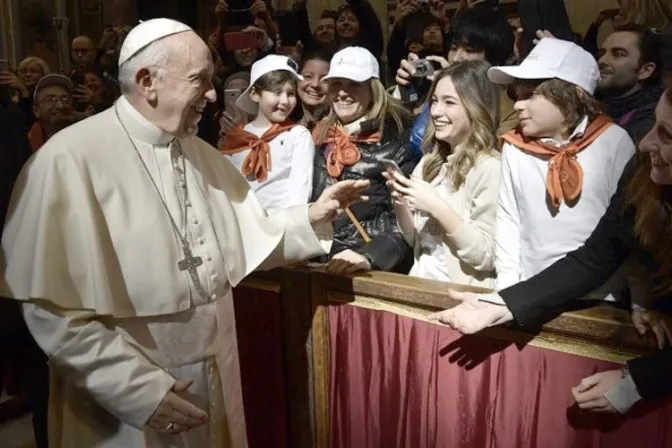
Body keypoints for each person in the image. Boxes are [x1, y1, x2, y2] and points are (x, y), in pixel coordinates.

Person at [0, 18, 368, 448]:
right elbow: (52, 310)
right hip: (126, 399)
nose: (212, 95)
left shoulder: (199, 153)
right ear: (146, 81)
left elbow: (251, 236)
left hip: (213, 372)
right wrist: (137, 391)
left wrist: (312, 215)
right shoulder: (67, 161)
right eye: (200, 80)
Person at [429, 85, 672, 416]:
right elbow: (597, 255)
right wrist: (503, 303)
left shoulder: (616, 143)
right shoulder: (644, 172)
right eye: (653, 125)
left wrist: (639, 381)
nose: (645, 143)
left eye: (667, 134)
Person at [488, 38, 635, 298]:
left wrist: (639, 301)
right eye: (516, 95)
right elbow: (509, 219)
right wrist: (507, 288)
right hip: (529, 291)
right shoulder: (515, 147)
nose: (518, 105)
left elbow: (629, 230)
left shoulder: (613, 142)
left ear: (574, 94)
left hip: (601, 294)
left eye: (531, 95)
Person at [386, 60, 501, 286]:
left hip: (462, 300)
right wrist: (400, 200)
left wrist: (436, 206)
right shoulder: (429, 164)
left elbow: (486, 256)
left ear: (477, 107)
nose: (436, 112)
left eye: (449, 102)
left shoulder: (490, 167)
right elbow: (414, 240)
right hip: (422, 288)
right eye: (435, 101)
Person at [310, 46, 416, 274]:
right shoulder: (315, 136)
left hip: (363, 271)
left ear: (373, 90)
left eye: (354, 84)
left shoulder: (396, 142)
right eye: (337, 83)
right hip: (316, 266)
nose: (342, 92)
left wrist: (369, 255)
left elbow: (407, 220)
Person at [219, 54, 315, 210]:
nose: (285, 101)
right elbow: (224, 187)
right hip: (244, 225)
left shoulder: (297, 135)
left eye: (290, 93)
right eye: (277, 92)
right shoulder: (236, 138)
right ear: (255, 94)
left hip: (281, 226)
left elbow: (300, 190)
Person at [596, 24, 665, 144]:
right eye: (602, 53)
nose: (602, 61)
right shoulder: (593, 105)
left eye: (618, 54)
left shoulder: (653, 121)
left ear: (645, 70)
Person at [28, 74, 76, 152]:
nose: (60, 106)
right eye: (50, 99)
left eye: (65, 99)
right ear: (36, 111)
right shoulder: (24, 144)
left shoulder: (85, 135)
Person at [294, 46, 332, 129]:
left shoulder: (339, 126)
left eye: (324, 79)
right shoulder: (283, 117)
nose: (315, 84)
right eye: (308, 76)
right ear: (297, 79)